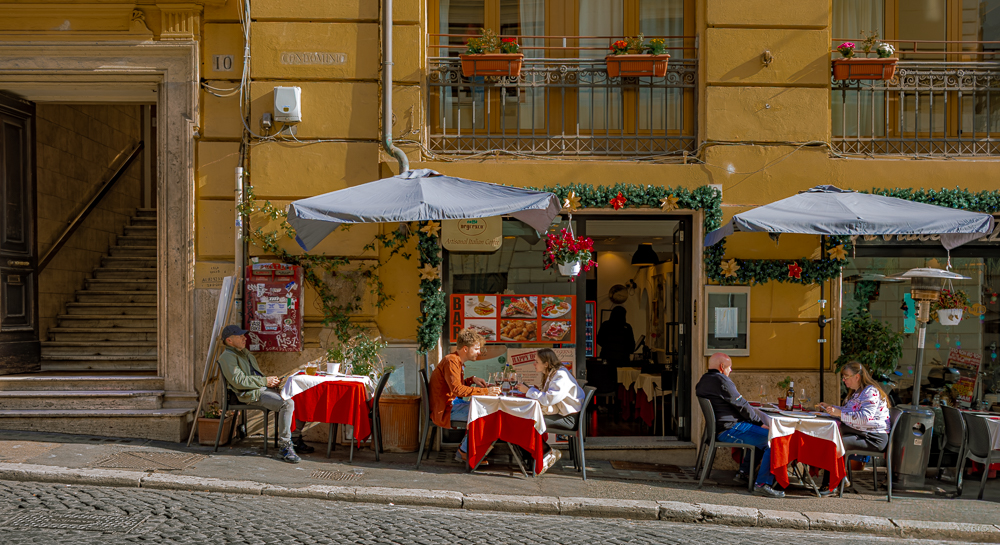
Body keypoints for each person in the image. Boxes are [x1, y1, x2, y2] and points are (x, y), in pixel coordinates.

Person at [695, 352, 784, 498]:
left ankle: (745, 472)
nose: (731, 371)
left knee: (761, 438)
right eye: (729, 368)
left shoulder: (703, 380)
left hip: (722, 428)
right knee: (774, 439)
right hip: (730, 429)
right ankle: (762, 484)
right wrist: (760, 423)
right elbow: (742, 405)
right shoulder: (722, 381)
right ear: (722, 367)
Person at [216, 325, 306, 464]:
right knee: (286, 404)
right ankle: (284, 446)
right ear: (229, 340)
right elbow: (239, 381)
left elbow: (255, 376)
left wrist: (271, 382)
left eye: (243, 335)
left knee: (296, 396)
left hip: (260, 389)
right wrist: (265, 381)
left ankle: (295, 438)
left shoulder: (245, 354)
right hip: (249, 395)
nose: (244, 338)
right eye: (240, 336)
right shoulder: (227, 357)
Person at [815, 361, 892, 495]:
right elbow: (848, 412)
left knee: (834, 443)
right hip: (862, 432)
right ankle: (839, 478)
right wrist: (831, 408)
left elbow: (864, 418)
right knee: (832, 438)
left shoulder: (870, 392)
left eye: (846, 377)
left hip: (874, 438)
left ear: (857, 377)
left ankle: (833, 484)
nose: (844, 380)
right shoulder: (857, 393)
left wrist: (839, 413)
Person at [429, 328, 501, 464]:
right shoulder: (451, 361)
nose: (479, 352)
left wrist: (471, 379)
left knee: (488, 410)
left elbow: (453, 385)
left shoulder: (455, 360)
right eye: (476, 348)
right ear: (465, 349)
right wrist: (487, 392)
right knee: (488, 413)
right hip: (446, 410)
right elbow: (457, 389)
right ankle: (465, 451)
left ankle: (468, 448)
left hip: (451, 405)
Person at [516, 348, 585, 475]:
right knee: (523, 420)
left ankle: (546, 452)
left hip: (569, 419)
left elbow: (548, 399)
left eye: (536, 361)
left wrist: (528, 391)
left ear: (546, 364)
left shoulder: (561, 375)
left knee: (527, 423)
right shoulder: (553, 374)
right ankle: (533, 457)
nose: (534, 364)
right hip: (564, 414)